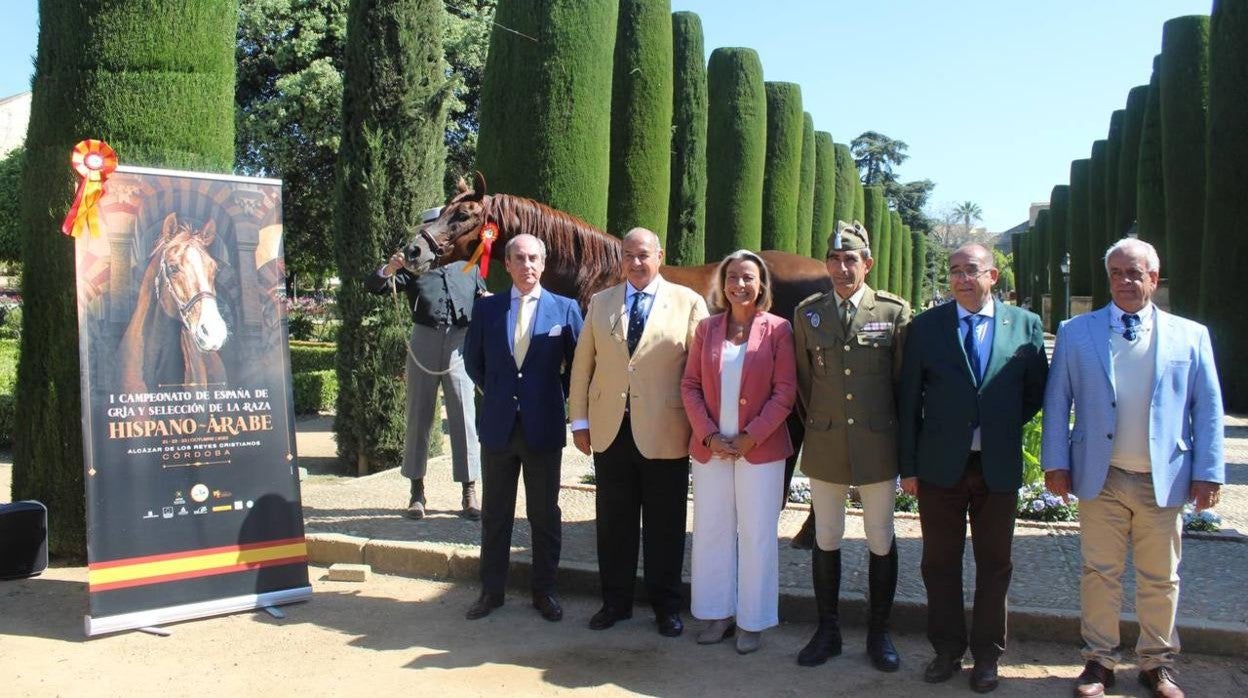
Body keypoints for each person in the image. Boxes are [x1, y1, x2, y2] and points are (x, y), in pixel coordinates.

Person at [1041, 238, 1224, 698]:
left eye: (1135, 273)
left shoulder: (1190, 335)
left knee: (1161, 577)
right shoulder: (1075, 332)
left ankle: (1156, 664)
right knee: (1099, 572)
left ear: (1153, 279)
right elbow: (1057, 401)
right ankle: (1098, 662)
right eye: (1117, 273)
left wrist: (1209, 471)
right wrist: (1056, 464)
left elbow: (1207, 408)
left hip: (1163, 478)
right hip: (1099, 477)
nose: (1125, 281)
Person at [897, 243, 1048, 693]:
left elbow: (1034, 392)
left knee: (995, 564)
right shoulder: (925, 328)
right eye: (955, 271)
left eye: (972, 270)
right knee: (939, 563)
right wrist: (909, 466)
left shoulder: (1025, 326)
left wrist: (996, 425)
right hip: (940, 467)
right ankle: (946, 650)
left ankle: (987, 657)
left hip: (996, 467)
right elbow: (909, 404)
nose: (962, 279)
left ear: (993, 277)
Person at [569, 227, 708, 637]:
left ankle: (666, 606)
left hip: (667, 429)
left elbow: (699, 373)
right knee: (614, 522)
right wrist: (579, 420)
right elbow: (582, 366)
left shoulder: (688, 302)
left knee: (666, 523)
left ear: (659, 256)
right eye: (628, 254)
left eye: (643, 254)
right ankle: (615, 602)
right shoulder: (601, 302)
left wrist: (703, 428)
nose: (635, 262)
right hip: (612, 429)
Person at [792, 221, 910, 672]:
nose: (842, 269)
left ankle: (879, 634)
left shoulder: (893, 313)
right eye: (835, 260)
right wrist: (821, 422)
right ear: (826, 264)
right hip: (826, 440)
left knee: (880, 536)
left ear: (868, 264)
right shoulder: (809, 314)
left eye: (851, 260)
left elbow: (901, 382)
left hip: (877, 441)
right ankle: (828, 630)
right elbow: (805, 381)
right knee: (826, 536)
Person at [462, 234, 583, 622]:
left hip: (542, 427)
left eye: (533, 258)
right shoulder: (488, 310)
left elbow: (578, 368)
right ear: (508, 265)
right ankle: (490, 592)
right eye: (519, 258)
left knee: (544, 515)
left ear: (543, 264)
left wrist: (552, 395)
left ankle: (544, 592)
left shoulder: (565, 309)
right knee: (495, 514)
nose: (527, 265)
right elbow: (472, 361)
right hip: (498, 427)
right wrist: (499, 391)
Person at [680, 250, 796, 655]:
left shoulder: (778, 329)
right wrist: (709, 434)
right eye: (732, 277)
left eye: (748, 277)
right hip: (711, 449)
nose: (739, 285)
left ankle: (753, 620)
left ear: (761, 283)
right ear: (722, 283)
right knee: (711, 530)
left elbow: (785, 392)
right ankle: (717, 613)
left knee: (757, 534)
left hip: (759, 452)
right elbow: (690, 385)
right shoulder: (707, 329)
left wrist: (751, 436)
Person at [364, 206, 486, 521]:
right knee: (419, 415)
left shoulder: (468, 264)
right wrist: (388, 270)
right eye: (431, 228)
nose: (437, 235)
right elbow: (374, 286)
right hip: (424, 339)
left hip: (460, 343)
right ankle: (416, 492)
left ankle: (469, 492)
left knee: (464, 416)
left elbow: (483, 296)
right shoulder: (414, 262)